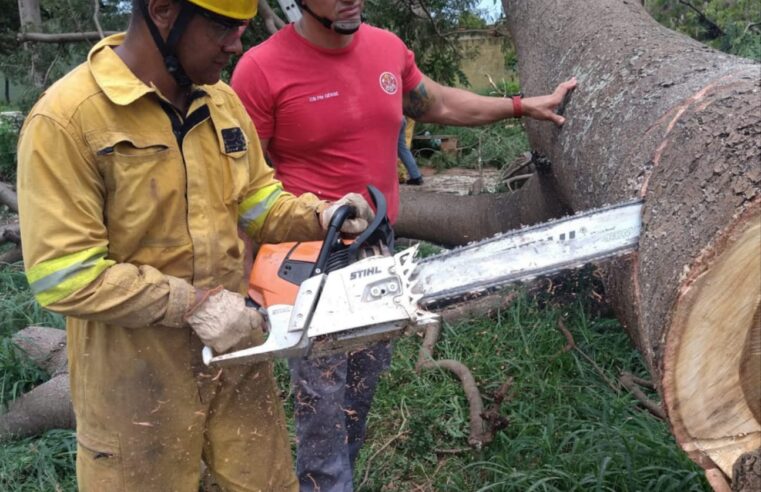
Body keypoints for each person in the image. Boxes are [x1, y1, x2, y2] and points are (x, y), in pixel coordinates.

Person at [15, 0, 374, 489]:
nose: (236, 43)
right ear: (164, 11)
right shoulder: (67, 120)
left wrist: (320, 215)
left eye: (243, 27)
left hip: (236, 362)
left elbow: (257, 201)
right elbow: (66, 275)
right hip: (134, 382)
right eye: (223, 27)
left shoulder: (221, 101)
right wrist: (193, 304)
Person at [230, 1, 576, 490]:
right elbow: (240, 189)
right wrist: (237, 283)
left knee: (359, 391)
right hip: (306, 261)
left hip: (376, 251)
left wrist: (520, 106)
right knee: (322, 408)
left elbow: (438, 102)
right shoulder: (261, 70)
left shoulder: (386, 49)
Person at [398, 116, 423, 185]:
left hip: (390, 118)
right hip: (402, 118)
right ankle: (416, 176)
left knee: (386, 149)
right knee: (403, 149)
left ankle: (399, 176)